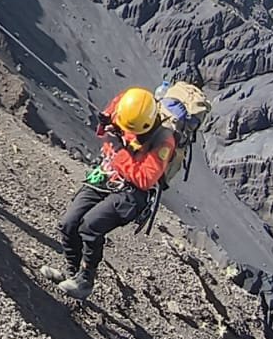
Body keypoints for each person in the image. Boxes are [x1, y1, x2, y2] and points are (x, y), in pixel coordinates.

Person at [42, 86, 174, 299]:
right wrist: (105, 125)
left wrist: (120, 152)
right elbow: (106, 126)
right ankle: (72, 272)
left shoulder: (163, 140)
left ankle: (85, 281)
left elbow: (144, 179)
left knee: (91, 225)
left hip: (131, 192)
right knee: (69, 224)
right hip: (107, 176)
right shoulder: (126, 105)